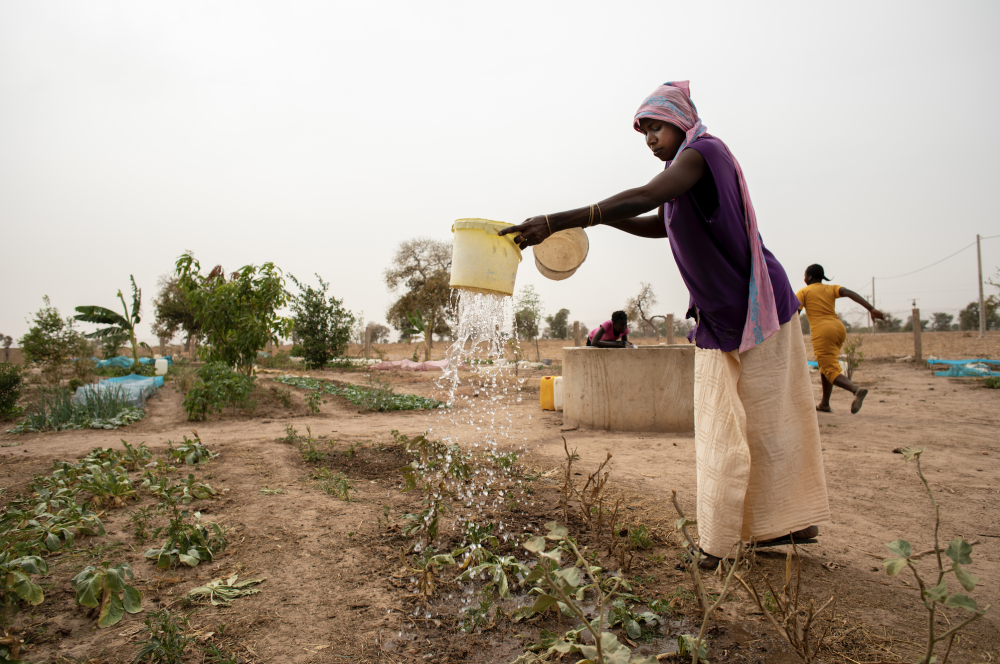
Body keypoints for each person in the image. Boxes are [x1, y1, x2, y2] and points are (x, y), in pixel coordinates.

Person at [500, 81, 830, 568]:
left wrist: (561, 218)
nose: (650, 139)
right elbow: (659, 218)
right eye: (644, 133)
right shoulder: (684, 178)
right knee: (732, 422)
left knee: (766, 421)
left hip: (759, 306)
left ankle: (754, 533)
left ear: (679, 122)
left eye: (655, 128)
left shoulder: (703, 153)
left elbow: (648, 195)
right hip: (727, 314)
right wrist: (604, 220)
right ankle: (753, 528)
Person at [797, 264, 885, 414]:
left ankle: (856, 390)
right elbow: (849, 292)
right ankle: (825, 403)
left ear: (809, 277)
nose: (804, 278)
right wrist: (871, 309)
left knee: (829, 368)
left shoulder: (803, 292)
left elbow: (794, 315)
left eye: (805, 276)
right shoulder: (831, 288)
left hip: (822, 331)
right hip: (838, 329)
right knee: (827, 364)